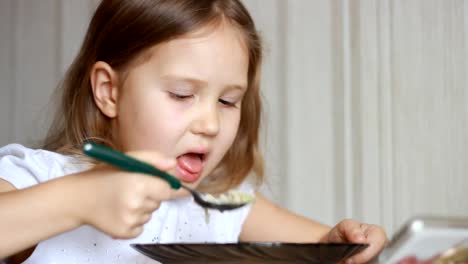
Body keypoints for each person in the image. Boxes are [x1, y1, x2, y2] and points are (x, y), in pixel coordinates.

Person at [0, 0, 387, 263]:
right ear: (109, 91)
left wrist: (347, 244)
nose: (210, 124)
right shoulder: (40, 177)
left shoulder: (219, 204)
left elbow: (325, 247)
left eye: (227, 101)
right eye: (182, 94)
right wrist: (80, 199)